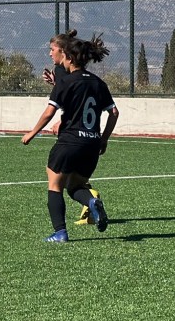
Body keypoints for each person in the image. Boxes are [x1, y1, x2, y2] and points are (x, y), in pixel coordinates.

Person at [22, 32, 119, 242]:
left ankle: (60, 232)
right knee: (75, 186)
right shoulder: (98, 83)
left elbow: (49, 113)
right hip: (92, 144)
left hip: (69, 142)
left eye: (63, 55)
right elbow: (114, 112)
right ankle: (91, 202)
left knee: (54, 184)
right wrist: (104, 139)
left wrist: (32, 133)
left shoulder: (66, 82)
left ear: (70, 58)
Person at [43, 30, 102, 226]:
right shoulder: (89, 78)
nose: (50, 54)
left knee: (58, 182)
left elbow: (70, 95)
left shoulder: (63, 70)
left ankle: (61, 229)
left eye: (52, 49)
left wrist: (63, 120)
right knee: (74, 180)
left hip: (72, 133)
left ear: (64, 53)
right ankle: (90, 204)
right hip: (90, 136)